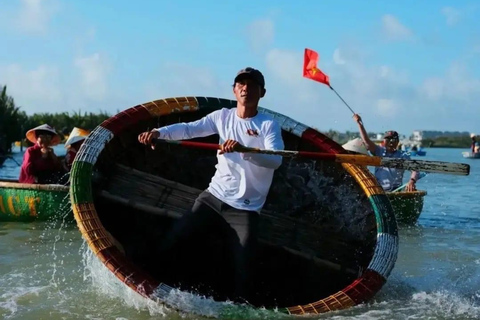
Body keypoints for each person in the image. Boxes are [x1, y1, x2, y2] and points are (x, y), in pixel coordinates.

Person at [138, 67, 284, 301]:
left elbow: (275, 160)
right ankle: (152, 284)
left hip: (246, 208)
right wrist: (158, 132)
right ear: (235, 90)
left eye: (252, 85)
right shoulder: (222, 116)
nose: (246, 88)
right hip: (214, 198)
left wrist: (245, 151)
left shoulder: (268, 125)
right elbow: (188, 129)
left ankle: (239, 307)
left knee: (245, 265)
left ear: (262, 92)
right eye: (241, 84)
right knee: (174, 238)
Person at [353, 114, 419, 192]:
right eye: (388, 139)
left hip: (395, 190)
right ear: (384, 141)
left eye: (393, 140)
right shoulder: (378, 151)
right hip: (378, 190)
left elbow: (415, 169)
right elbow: (366, 141)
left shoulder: (403, 156)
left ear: (397, 142)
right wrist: (360, 124)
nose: (391, 142)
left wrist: (412, 181)